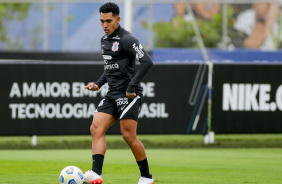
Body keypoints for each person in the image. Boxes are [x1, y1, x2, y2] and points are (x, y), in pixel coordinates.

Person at [83, 2, 154, 184]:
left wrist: (132, 86)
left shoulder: (127, 39)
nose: (105, 25)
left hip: (129, 94)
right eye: (101, 21)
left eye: (108, 21)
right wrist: (98, 84)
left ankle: (146, 177)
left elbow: (146, 61)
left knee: (128, 135)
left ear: (118, 19)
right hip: (112, 94)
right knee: (96, 128)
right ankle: (96, 174)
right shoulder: (104, 41)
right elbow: (110, 68)